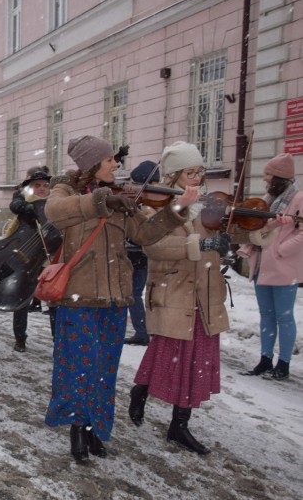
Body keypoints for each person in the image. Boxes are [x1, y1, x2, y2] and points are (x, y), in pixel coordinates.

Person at [44, 135, 198, 464]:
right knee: (80, 370)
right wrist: (101, 201)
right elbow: (55, 211)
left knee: (104, 370)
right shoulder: (67, 192)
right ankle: (78, 431)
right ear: (92, 164)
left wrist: (179, 207)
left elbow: (146, 233)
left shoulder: (121, 196)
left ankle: (96, 430)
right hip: (79, 299)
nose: (116, 164)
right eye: (110, 159)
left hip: (115, 300)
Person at [127, 141, 286, 455]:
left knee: (195, 361)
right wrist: (199, 245)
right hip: (174, 290)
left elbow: (235, 232)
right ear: (173, 175)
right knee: (168, 354)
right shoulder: (157, 206)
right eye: (190, 172)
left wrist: (264, 227)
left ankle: (179, 425)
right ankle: (141, 391)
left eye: (200, 171)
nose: (197, 177)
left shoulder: (210, 204)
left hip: (205, 292)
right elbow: (155, 248)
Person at [239, 153, 302, 381]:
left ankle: (283, 363)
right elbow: (262, 227)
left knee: (284, 316)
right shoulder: (268, 198)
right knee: (266, 315)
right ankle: (265, 359)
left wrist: (280, 250)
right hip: (261, 265)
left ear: (279, 177)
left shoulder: (299, 198)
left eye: (268, 175)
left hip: (283, 267)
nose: (265, 179)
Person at [7, 165, 55, 352]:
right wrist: (30, 206)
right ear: (31, 187)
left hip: (49, 260)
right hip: (27, 258)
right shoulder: (24, 203)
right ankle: (20, 338)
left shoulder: (56, 205)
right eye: (37, 185)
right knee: (22, 300)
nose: (42, 188)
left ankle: (57, 338)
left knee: (53, 301)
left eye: (45, 185)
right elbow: (15, 206)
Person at [123, 160, 162, 346]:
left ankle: (142, 331)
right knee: (135, 293)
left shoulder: (150, 204)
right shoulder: (143, 201)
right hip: (139, 254)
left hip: (139, 254)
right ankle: (145, 330)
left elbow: (145, 230)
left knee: (133, 293)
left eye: (137, 183)